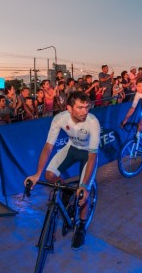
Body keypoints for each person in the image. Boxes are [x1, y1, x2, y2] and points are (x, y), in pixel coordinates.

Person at [24, 91, 100, 251]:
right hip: (72, 147)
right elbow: (48, 147)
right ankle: (66, 192)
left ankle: (82, 226)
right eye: (80, 108)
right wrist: (37, 174)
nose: (85, 112)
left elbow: (93, 156)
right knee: (49, 175)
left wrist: (85, 186)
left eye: (87, 107)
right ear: (69, 108)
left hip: (88, 154)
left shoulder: (93, 122)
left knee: (82, 193)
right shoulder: (60, 118)